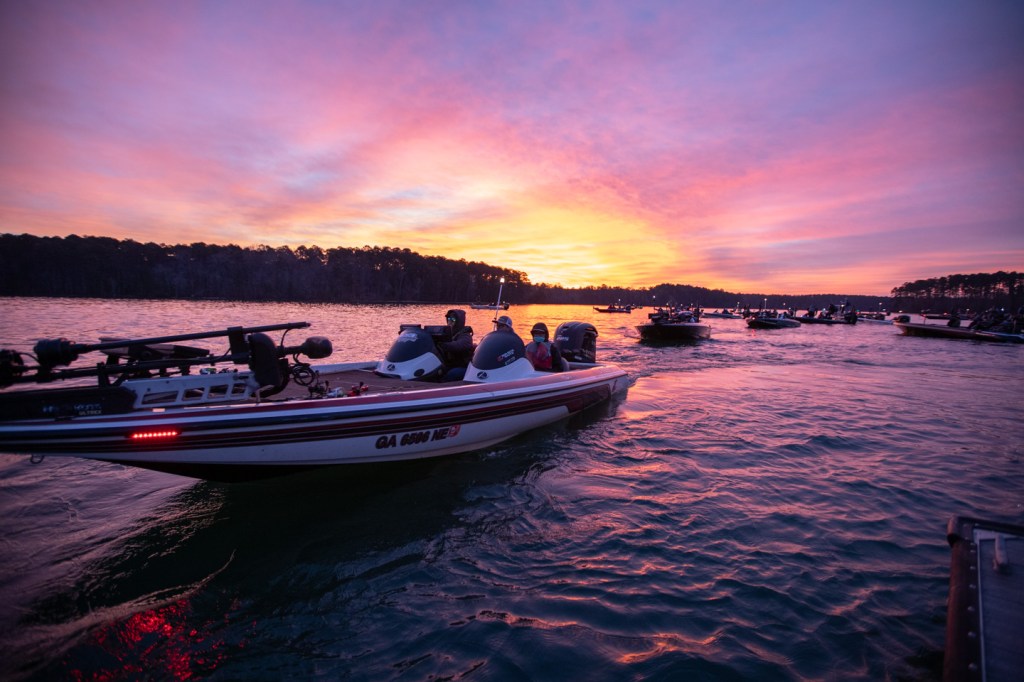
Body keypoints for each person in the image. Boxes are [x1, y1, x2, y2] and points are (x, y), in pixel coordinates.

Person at [437, 309, 473, 380]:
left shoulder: (466, 335)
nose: (450, 321)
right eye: (449, 319)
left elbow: (458, 345)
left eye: (453, 319)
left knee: (452, 374)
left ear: (459, 321)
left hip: (463, 366)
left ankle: (442, 385)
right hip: (450, 364)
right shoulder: (447, 333)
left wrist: (442, 344)